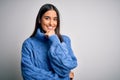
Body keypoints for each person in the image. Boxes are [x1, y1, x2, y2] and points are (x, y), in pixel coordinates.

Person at [21, 3, 77, 80]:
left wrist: (54, 40)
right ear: (39, 20)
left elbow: (66, 66)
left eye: (55, 19)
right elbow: (28, 74)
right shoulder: (28, 44)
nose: (51, 23)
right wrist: (64, 78)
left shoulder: (65, 40)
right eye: (47, 18)